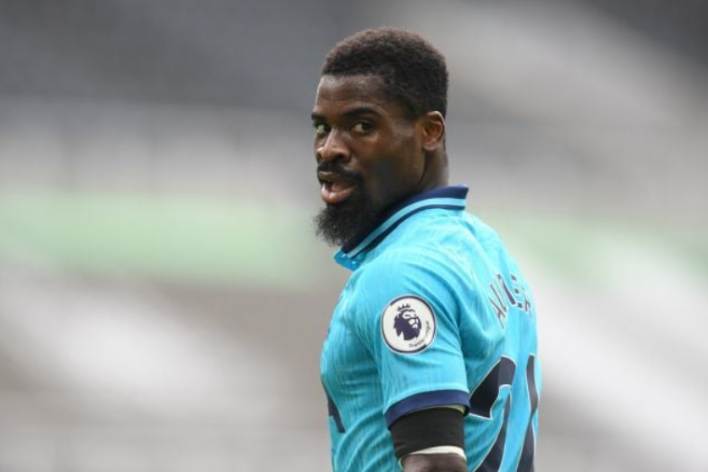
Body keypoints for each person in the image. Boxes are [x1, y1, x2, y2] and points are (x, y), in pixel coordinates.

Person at [311, 27, 540, 472]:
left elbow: (435, 464)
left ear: (430, 131)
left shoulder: (403, 272)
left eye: (362, 126)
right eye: (322, 127)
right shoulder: (488, 250)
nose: (330, 149)